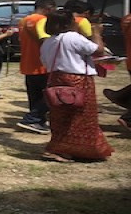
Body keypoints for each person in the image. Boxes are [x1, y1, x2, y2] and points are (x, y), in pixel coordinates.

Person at [40, 10, 113, 162]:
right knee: (81, 116)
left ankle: (59, 147)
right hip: (78, 80)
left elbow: (46, 62)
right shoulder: (73, 37)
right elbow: (98, 50)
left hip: (56, 79)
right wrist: (96, 33)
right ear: (69, 23)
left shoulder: (47, 42)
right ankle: (74, 149)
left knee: (60, 116)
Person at [17, 0, 57, 134]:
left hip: (28, 62)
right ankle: (32, 119)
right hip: (42, 63)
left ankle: (37, 121)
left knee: (34, 96)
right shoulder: (43, 20)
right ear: (49, 8)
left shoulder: (23, 20)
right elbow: (46, 41)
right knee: (48, 95)